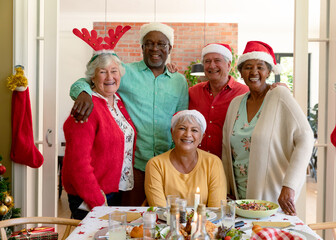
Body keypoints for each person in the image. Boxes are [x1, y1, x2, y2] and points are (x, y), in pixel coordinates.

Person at [69, 22, 189, 205]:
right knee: (131, 222)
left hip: (167, 166)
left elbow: (181, 121)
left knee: (165, 221)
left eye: (161, 44)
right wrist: (84, 93)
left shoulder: (179, 81)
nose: (155, 48)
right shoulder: (125, 72)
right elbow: (88, 79)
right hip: (134, 167)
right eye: (149, 43)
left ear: (169, 48)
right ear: (142, 47)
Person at [222, 41, 313, 216]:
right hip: (238, 197)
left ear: (269, 71)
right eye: (248, 67)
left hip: (270, 196)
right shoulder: (235, 103)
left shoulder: (279, 95)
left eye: (260, 67)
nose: (254, 72)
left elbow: (306, 136)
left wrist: (290, 185)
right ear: (240, 73)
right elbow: (227, 150)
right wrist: (227, 188)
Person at [62, 52, 137, 219]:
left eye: (114, 71)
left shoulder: (117, 101)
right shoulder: (86, 107)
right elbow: (78, 165)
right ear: (92, 78)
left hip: (115, 190)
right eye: (102, 71)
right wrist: (97, 202)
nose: (109, 76)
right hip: (92, 195)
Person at [145, 110, 227, 207]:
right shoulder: (156, 164)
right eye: (182, 128)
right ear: (172, 132)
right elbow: (159, 209)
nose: (188, 134)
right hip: (168, 221)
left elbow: (216, 209)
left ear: (201, 137)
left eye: (194, 130)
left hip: (205, 221)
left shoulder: (213, 163)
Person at [189, 43, 249, 159]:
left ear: (228, 65)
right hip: (197, 162)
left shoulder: (245, 93)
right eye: (207, 61)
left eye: (217, 60)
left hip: (229, 164)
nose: (212, 66)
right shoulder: (193, 92)